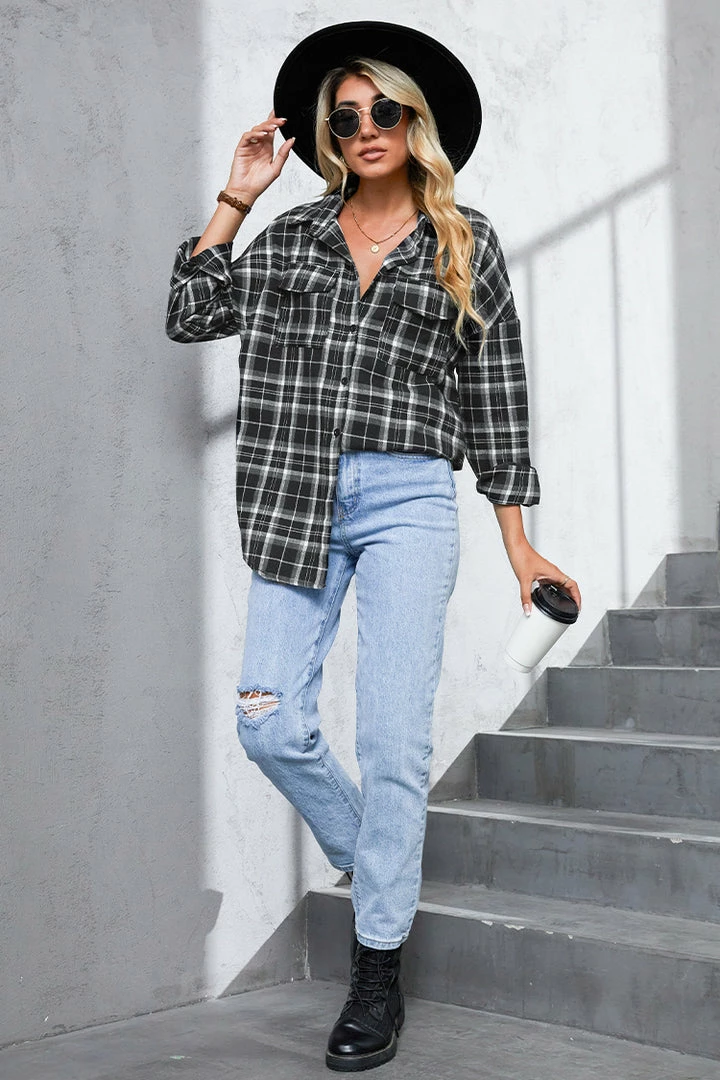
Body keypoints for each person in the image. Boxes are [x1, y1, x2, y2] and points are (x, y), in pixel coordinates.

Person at [166, 21, 581, 1073]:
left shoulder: (464, 242)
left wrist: (521, 546)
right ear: (328, 135)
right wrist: (236, 196)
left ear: (415, 121)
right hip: (293, 493)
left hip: (409, 499)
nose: (365, 126)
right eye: (346, 116)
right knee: (268, 723)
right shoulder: (294, 235)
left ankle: (377, 967)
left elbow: (498, 399)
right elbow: (191, 313)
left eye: (385, 109)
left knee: (395, 744)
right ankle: (382, 864)